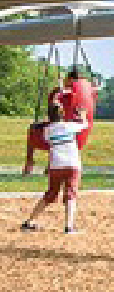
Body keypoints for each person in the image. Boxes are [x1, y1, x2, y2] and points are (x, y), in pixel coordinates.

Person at [21, 99, 89, 234]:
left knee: (51, 194)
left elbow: (47, 137)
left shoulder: (47, 131)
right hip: (72, 164)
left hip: (56, 165)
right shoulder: (70, 126)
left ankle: (29, 221)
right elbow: (85, 125)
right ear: (63, 114)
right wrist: (82, 115)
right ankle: (69, 226)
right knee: (70, 193)